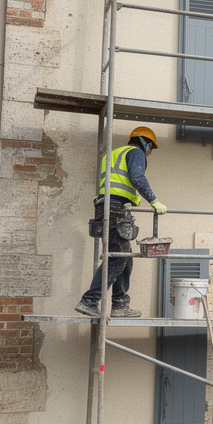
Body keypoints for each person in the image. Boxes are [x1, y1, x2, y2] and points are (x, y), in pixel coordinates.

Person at [76, 126, 167, 318]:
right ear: (146, 143)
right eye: (151, 148)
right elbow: (137, 177)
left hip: (108, 207)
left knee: (124, 258)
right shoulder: (136, 152)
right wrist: (154, 201)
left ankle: (119, 304)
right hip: (115, 209)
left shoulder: (114, 154)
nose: (149, 153)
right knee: (117, 257)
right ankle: (89, 300)